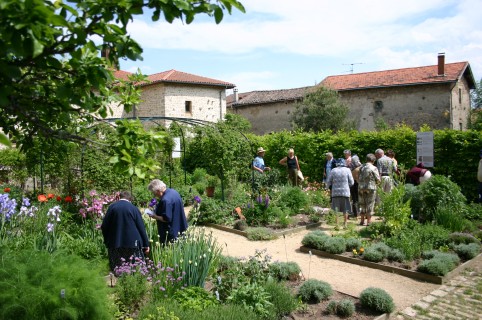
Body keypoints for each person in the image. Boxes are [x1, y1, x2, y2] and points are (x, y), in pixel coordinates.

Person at [101, 191, 150, 272]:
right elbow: (141, 228)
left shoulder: (112, 207)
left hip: (115, 243)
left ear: (119, 197)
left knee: (118, 268)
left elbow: (104, 226)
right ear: (130, 199)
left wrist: (107, 240)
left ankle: (120, 282)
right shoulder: (133, 208)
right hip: (133, 244)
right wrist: (146, 244)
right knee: (134, 268)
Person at [147, 179, 188, 244]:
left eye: (154, 193)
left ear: (158, 191)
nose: (154, 195)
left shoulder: (165, 200)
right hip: (180, 227)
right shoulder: (174, 192)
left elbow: (166, 219)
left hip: (171, 232)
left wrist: (154, 216)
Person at [327, 158, 354, 227]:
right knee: (345, 209)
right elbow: (352, 182)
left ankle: (337, 224)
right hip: (345, 192)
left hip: (335, 192)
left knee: (336, 209)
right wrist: (347, 186)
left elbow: (328, 181)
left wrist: (328, 187)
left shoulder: (333, 170)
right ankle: (345, 224)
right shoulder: (347, 170)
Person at [358, 154, 381, 226]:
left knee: (362, 203)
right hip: (371, 187)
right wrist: (378, 182)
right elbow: (378, 179)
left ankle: (362, 221)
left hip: (361, 187)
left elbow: (358, 176)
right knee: (370, 203)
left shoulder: (361, 167)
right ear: (373, 160)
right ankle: (369, 221)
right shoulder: (374, 168)